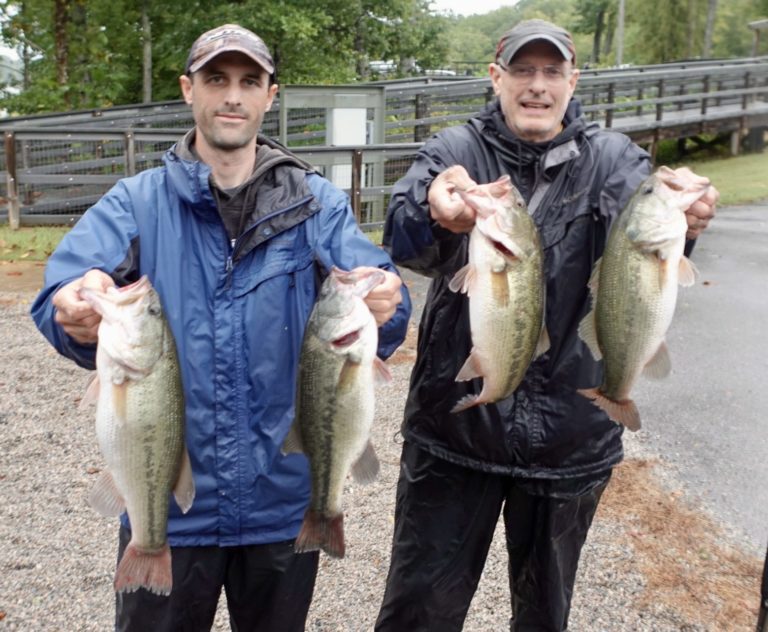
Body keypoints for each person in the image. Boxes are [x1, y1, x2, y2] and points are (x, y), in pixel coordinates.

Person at [30, 23, 410, 632]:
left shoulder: (318, 205)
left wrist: (390, 299)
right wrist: (71, 309)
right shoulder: (135, 202)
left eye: (248, 81)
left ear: (270, 95)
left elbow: (376, 284)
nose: (232, 95)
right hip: (169, 512)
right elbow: (63, 292)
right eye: (216, 79)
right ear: (188, 90)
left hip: (282, 508)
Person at [375, 18, 718, 632]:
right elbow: (402, 229)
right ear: (496, 77)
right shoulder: (456, 151)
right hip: (455, 434)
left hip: (570, 440)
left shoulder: (612, 158)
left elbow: (650, 222)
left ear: (572, 80)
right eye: (523, 71)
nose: (537, 86)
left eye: (551, 71)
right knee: (417, 614)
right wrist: (433, 208)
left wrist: (687, 215)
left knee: (544, 617)